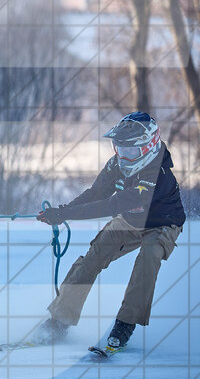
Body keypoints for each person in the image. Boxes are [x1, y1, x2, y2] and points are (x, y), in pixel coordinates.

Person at [34, 112, 185, 351]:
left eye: (131, 150)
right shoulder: (116, 164)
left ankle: (124, 325)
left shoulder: (158, 173)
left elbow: (112, 204)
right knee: (92, 258)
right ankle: (59, 321)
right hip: (129, 220)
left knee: (147, 259)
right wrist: (62, 211)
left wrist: (66, 214)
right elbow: (96, 194)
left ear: (149, 146)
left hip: (162, 223)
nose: (124, 155)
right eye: (120, 148)